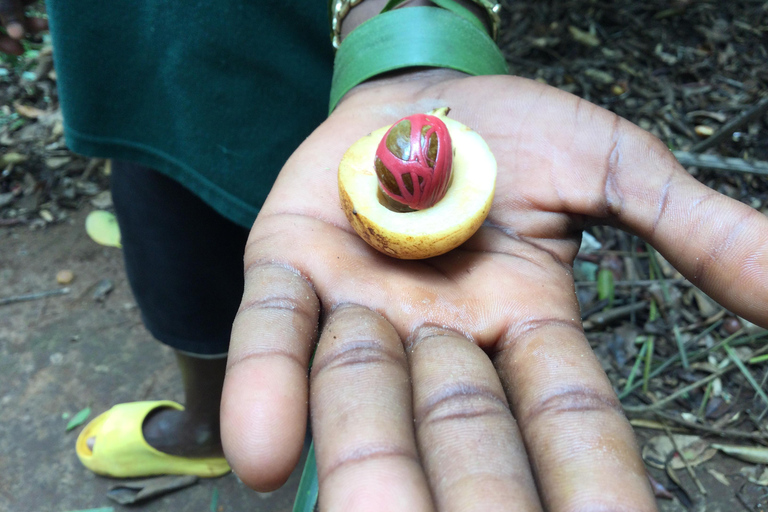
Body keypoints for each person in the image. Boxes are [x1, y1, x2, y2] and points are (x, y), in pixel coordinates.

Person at [4, 1, 767, 510]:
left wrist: (408, 33)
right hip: (135, 68)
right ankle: (205, 427)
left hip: (310, 84)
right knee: (183, 276)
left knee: (294, 301)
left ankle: (254, 434)